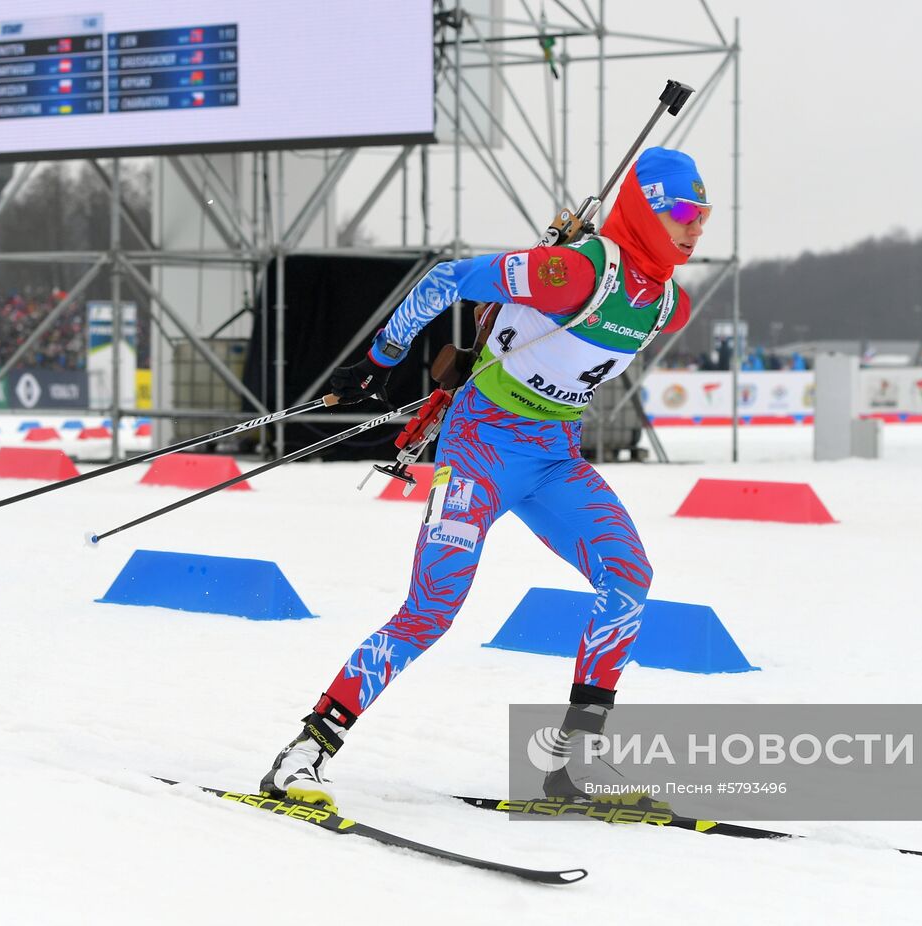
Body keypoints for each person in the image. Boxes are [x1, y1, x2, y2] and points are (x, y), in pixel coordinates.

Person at [260, 146, 709, 807]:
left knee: (629, 577)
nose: (698, 228)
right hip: (480, 452)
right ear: (647, 211)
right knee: (432, 608)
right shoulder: (574, 273)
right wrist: (382, 356)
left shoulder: (670, 305)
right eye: (686, 214)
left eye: (705, 215)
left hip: (555, 457)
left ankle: (571, 766)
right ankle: (305, 750)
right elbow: (448, 280)